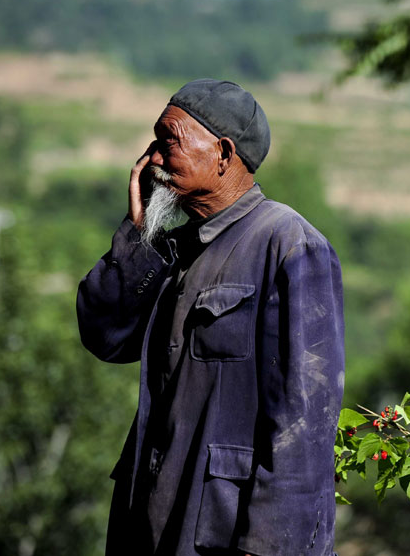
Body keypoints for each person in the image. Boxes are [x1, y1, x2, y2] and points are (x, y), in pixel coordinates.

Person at [77, 79, 345, 556]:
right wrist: (137, 233)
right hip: (148, 526)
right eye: (153, 144)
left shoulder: (287, 243)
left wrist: (266, 547)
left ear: (223, 152)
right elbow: (104, 336)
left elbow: (304, 423)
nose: (152, 158)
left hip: (223, 536)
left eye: (168, 142)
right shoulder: (172, 249)